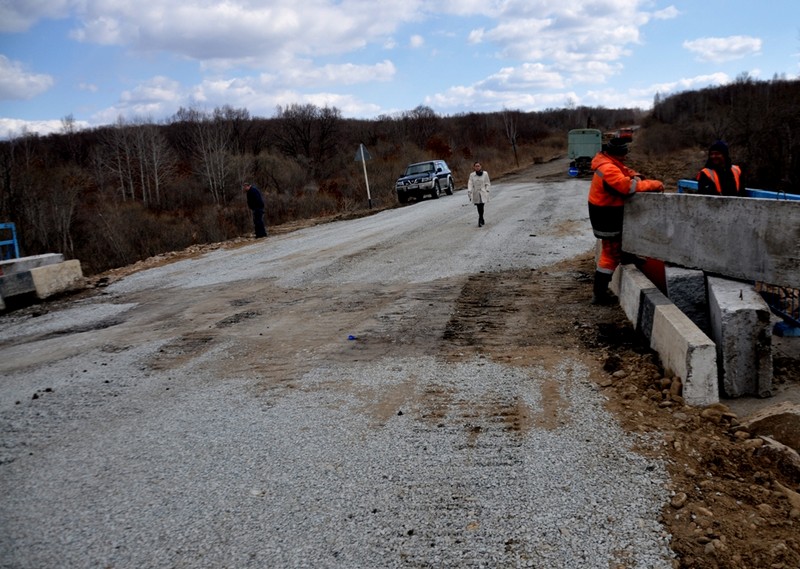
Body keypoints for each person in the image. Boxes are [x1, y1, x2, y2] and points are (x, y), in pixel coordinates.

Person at [587, 137, 664, 305]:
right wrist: (654, 184)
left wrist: (635, 176)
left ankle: (627, 256)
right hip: (607, 217)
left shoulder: (608, 163)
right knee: (610, 254)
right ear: (616, 153)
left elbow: (624, 171)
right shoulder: (608, 168)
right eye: (623, 154)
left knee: (619, 243)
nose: (625, 157)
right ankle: (599, 294)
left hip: (606, 215)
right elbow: (626, 187)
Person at [467, 161, 490, 227]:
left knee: (481, 205)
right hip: (476, 192)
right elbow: (470, 183)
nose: (477, 167)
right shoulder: (472, 175)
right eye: (476, 166)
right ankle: (481, 218)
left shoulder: (485, 174)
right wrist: (469, 191)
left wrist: (487, 190)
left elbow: (487, 183)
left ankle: (480, 218)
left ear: (480, 166)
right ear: (474, 167)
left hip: (483, 192)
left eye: (478, 166)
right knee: (478, 206)